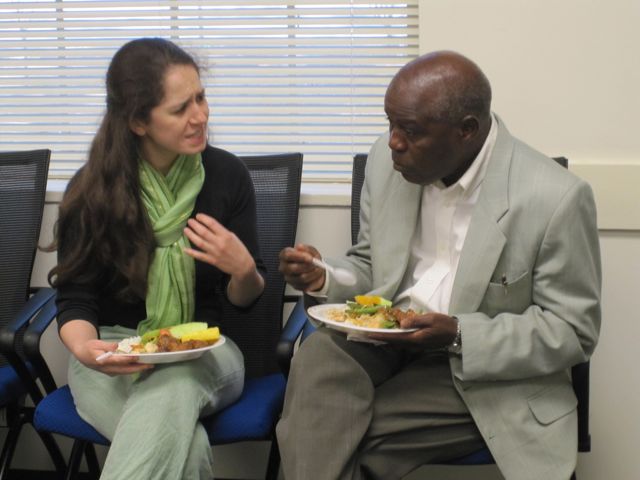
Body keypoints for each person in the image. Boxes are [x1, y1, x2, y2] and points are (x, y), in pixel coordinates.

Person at [276, 51, 601, 480]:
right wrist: (325, 276)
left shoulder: (554, 197)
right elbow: (372, 264)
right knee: (318, 357)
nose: (393, 142)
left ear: (467, 131)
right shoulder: (385, 160)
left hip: (479, 370)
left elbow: (572, 330)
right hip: (386, 343)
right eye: (389, 123)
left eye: (409, 130)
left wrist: (461, 334)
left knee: (325, 435)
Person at [47, 38, 265, 479]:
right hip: (113, 351)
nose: (200, 115)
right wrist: (86, 349)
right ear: (138, 122)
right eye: (181, 107)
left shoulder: (227, 176)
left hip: (204, 350)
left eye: (201, 97)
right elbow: (75, 298)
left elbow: (244, 300)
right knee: (188, 450)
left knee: (175, 381)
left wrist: (243, 270)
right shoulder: (92, 189)